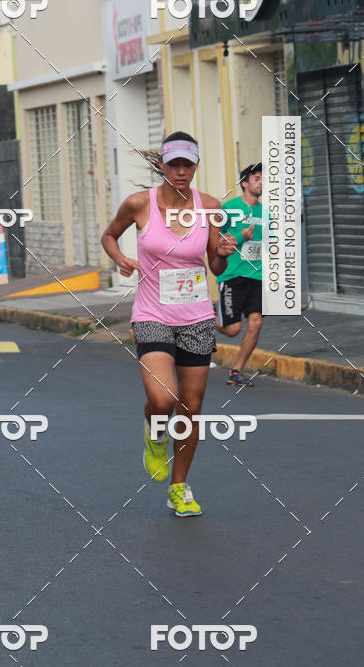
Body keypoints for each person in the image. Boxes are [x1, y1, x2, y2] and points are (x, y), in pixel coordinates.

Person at [101, 131, 236, 517]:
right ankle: (154, 432)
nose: (180, 171)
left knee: (191, 408)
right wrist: (121, 259)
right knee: (163, 400)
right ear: (162, 164)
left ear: (195, 166)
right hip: (152, 315)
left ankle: (179, 487)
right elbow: (109, 235)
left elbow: (215, 265)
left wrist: (223, 253)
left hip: (196, 317)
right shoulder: (139, 204)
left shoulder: (209, 206)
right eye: (173, 164)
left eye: (187, 164)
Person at [215, 163, 263, 386]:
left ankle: (236, 370)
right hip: (232, 275)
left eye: (263, 178)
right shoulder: (230, 208)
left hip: (256, 275)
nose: (261, 182)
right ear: (244, 183)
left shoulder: (265, 212)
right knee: (233, 330)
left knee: (256, 322)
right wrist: (241, 236)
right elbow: (217, 241)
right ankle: (202, 319)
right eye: (256, 178)